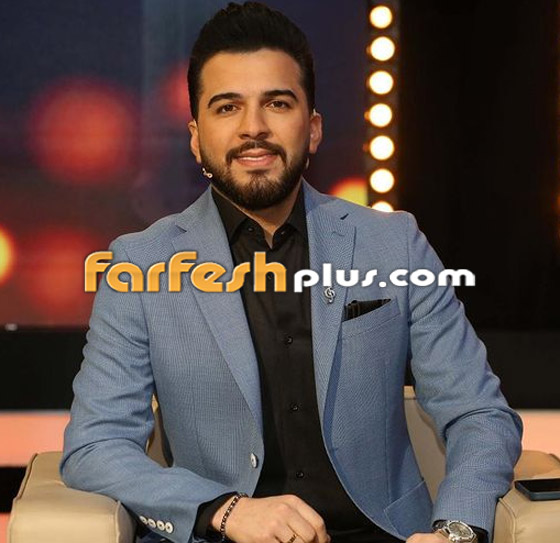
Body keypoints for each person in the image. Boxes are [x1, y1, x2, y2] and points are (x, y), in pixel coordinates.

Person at [60, 3, 523, 543]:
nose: (253, 128)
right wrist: (225, 510)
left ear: (314, 128)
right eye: (227, 107)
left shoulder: (394, 244)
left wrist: (457, 531)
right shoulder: (140, 266)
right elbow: (96, 445)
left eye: (277, 104)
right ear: (195, 137)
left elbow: (479, 413)